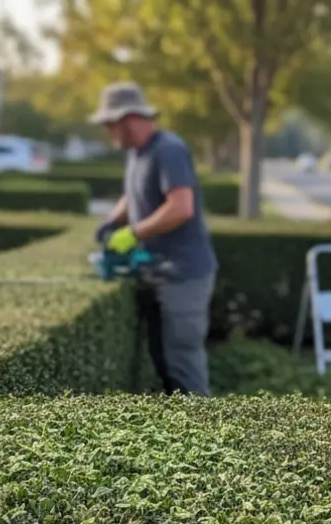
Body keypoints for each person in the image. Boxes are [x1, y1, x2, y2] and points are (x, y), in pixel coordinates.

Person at [91, 82, 218, 396]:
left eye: (110, 125)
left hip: (183, 275)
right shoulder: (138, 154)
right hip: (158, 271)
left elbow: (180, 207)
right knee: (163, 362)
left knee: (183, 364)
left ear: (129, 118)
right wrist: (112, 222)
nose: (109, 132)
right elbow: (133, 195)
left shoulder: (168, 150)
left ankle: (204, 435)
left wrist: (133, 233)